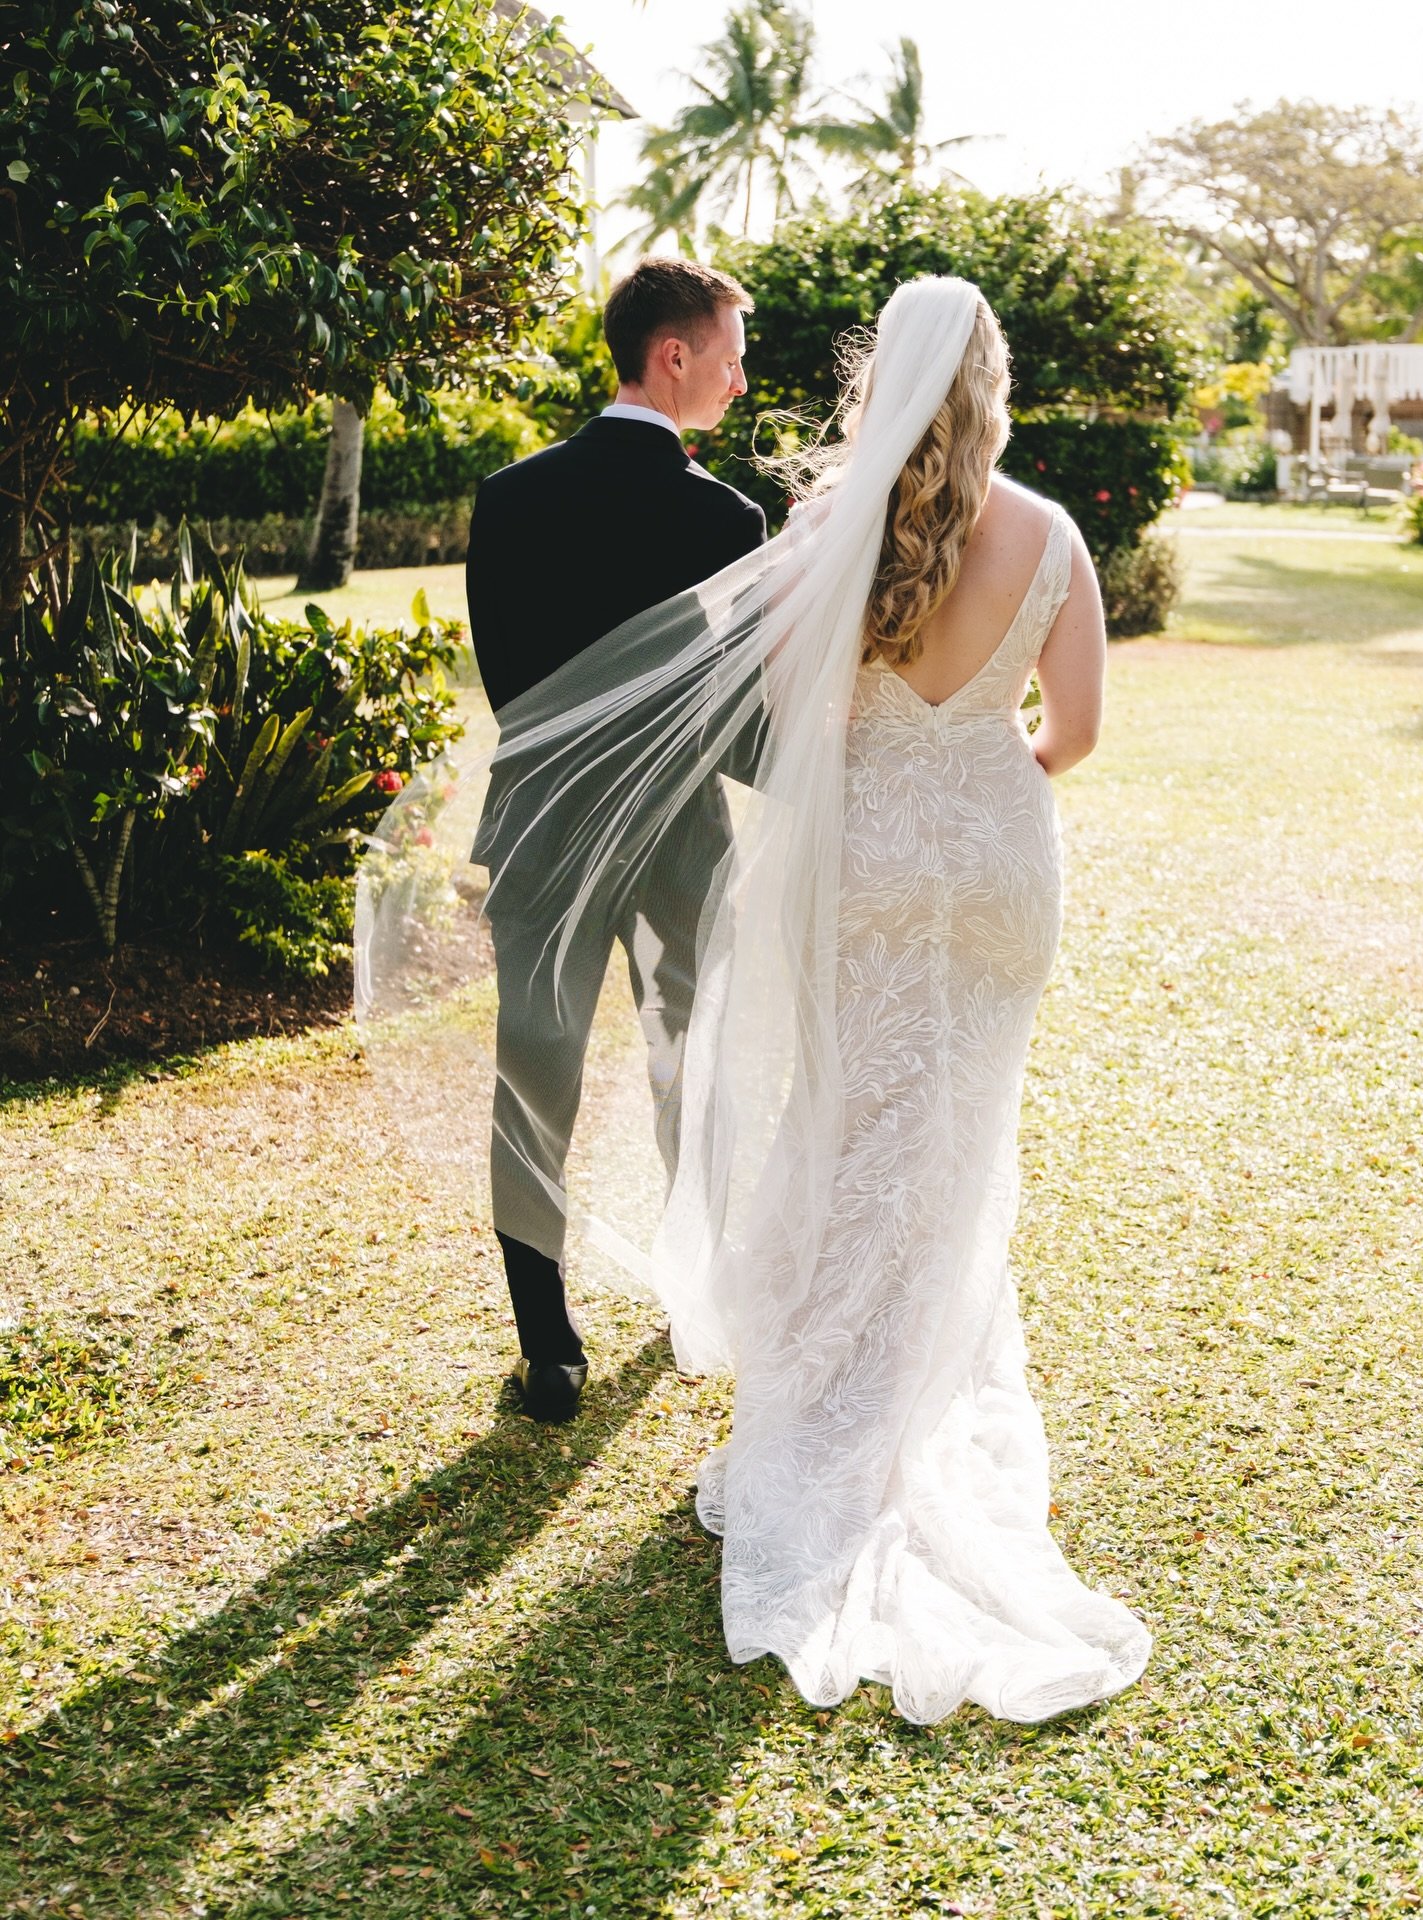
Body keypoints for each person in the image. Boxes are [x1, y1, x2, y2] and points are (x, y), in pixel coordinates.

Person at [363, 275, 1151, 1722]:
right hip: (977, 859)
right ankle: (807, 1348)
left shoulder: (784, 522)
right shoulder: (1026, 532)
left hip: (732, 849)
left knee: (773, 1112)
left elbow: (767, 715)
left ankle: (655, 1365)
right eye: (726, 353)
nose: (740, 371)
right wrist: (971, 783)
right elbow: (1074, 732)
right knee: (899, 1126)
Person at [465, 258, 767, 1423]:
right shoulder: (722, 516)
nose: (741, 380)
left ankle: (548, 1348)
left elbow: (513, 688)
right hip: (678, 833)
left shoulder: (511, 495)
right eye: (731, 353)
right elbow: (732, 711)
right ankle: (699, 1291)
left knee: (533, 1068)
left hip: (541, 821)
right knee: (690, 1062)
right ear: (673, 356)